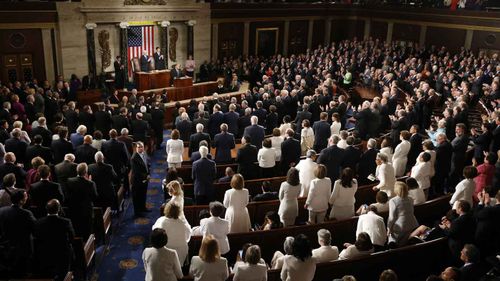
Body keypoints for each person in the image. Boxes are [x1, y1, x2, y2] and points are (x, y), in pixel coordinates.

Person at [34, 199, 74, 281]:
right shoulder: (66, 222)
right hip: (62, 253)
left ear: (46, 209)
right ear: (59, 209)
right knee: (64, 275)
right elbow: (72, 237)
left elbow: (37, 237)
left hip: (45, 253)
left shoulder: (38, 222)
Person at [0, 190, 36, 277]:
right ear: (21, 200)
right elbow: (35, 228)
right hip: (23, 250)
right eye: (25, 196)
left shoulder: (1, 211)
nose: (27, 198)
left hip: (5, 248)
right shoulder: (26, 213)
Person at [66, 163, 98, 240]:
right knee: (88, 230)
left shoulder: (69, 181)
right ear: (86, 172)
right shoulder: (90, 183)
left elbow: (68, 195)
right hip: (86, 210)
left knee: (77, 229)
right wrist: (90, 182)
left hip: (74, 209)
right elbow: (95, 197)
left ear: (77, 171)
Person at [387, 182, 419, 247]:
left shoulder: (393, 201)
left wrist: (389, 228)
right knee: (404, 243)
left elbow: (392, 217)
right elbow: (412, 211)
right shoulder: (410, 198)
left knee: (393, 243)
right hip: (411, 223)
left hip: (400, 226)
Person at [130, 141, 150, 216]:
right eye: (139, 147)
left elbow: (147, 164)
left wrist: (148, 173)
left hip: (145, 179)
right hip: (137, 180)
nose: (141, 148)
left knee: (143, 194)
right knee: (137, 196)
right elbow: (136, 171)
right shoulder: (134, 158)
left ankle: (143, 208)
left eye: (142, 147)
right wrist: (146, 176)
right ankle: (137, 212)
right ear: (136, 148)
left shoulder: (144, 153)